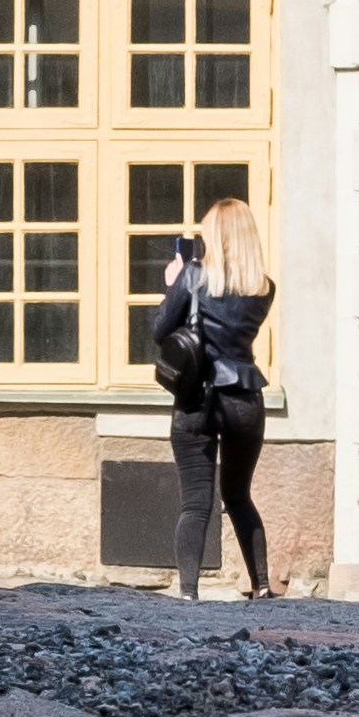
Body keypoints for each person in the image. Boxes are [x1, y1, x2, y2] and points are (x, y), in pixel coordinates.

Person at [153, 193, 276, 599]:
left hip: (197, 399)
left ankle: (188, 592)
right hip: (244, 398)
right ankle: (261, 586)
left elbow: (161, 331)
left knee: (195, 502)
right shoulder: (264, 288)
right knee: (239, 496)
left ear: (215, 236)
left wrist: (172, 285)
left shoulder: (192, 276)